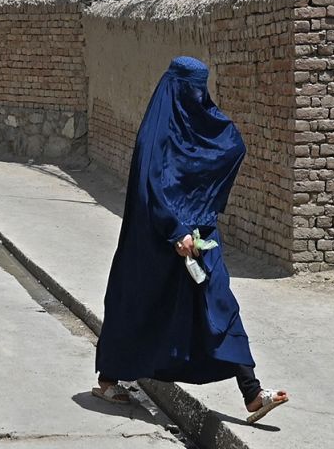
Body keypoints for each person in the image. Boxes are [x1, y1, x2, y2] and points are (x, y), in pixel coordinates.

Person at [92, 56, 289, 424]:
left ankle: (252, 393)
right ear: (177, 87)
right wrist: (174, 229)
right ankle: (107, 378)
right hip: (156, 239)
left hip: (200, 232)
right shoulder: (156, 133)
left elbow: (228, 146)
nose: (198, 97)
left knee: (220, 300)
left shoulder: (197, 125)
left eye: (203, 89)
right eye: (192, 90)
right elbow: (150, 185)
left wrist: (197, 216)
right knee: (140, 305)